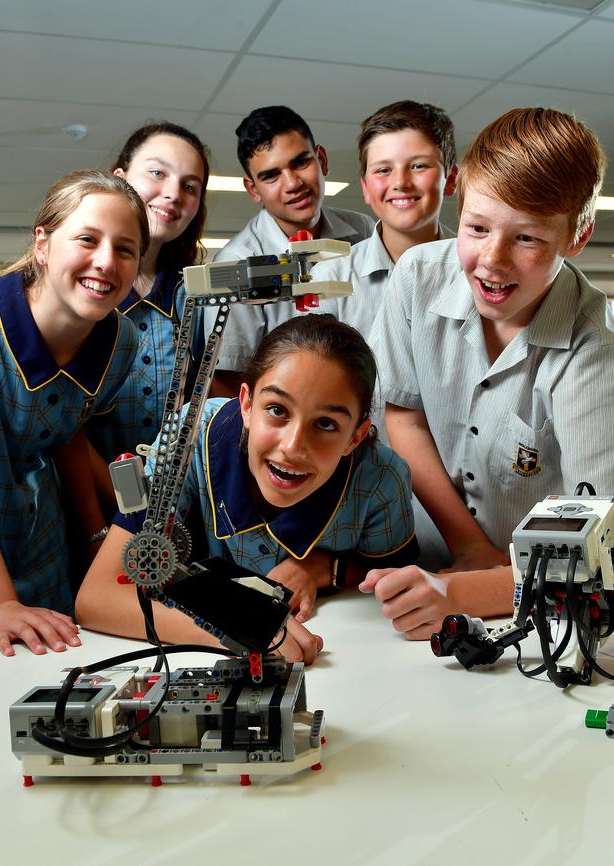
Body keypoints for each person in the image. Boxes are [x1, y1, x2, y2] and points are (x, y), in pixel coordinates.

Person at [364, 107, 613, 640]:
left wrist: (468, 590)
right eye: (477, 228)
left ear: (577, 236)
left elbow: (596, 544)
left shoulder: (595, 345)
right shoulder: (417, 278)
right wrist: (468, 548)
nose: (491, 261)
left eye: (527, 239)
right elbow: (403, 415)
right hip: (423, 564)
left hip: (544, 595)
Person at [76, 314, 417, 664]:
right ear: (247, 404)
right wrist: (237, 627)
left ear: (356, 437)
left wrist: (319, 568)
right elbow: (98, 597)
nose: (293, 446)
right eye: (276, 410)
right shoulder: (189, 437)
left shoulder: (380, 479)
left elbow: (396, 582)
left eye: (326, 424)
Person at [0, 169, 148, 654]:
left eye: (125, 249)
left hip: (43, 556)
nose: (106, 262)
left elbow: (67, 429)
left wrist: (104, 534)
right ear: (42, 243)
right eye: (87, 239)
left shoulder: (120, 340)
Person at [206, 105, 375, 394]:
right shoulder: (234, 265)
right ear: (253, 189)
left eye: (300, 162)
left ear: (321, 159)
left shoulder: (363, 230)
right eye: (271, 175)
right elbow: (225, 383)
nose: (293, 183)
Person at [88, 122, 209, 479]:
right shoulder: (85, 292)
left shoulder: (195, 296)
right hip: (85, 506)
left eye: (190, 186)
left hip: (174, 501)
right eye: (157, 172)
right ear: (119, 178)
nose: (173, 194)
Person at [311, 100, 457, 334]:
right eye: (383, 170)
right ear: (366, 188)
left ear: (450, 180)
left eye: (419, 166)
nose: (400, 182)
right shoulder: (331, 277)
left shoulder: (478, 270)